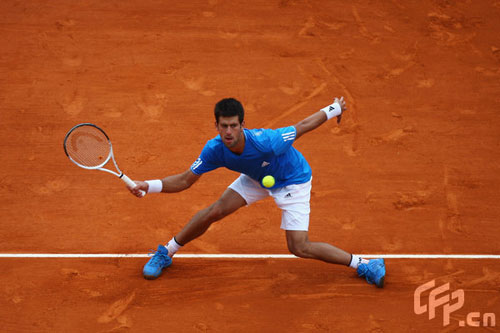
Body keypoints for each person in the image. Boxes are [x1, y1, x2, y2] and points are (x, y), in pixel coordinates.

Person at [128, 97, 386, 287]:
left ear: (242, 125)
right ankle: (166, 252)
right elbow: (185, 180)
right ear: (216, 125)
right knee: (214, 211)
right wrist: (147, 186)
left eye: (233, 126)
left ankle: (364, 264)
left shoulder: (267, 141)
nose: (228, 132)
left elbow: (303, 125)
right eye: (223, 126)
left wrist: (334, 109)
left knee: (299, 247)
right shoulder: (214, 149)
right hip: (256, 178)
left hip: (291, 179)